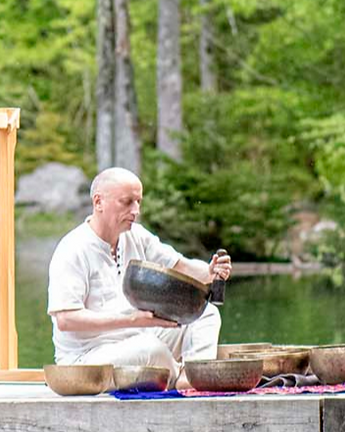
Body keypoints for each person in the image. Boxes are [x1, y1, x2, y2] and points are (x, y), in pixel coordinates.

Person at [46, 166, 232, 388]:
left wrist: (209, 271)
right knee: (150, 349)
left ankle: (190, 377)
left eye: (138, 202)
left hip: (140, 338)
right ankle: (187, 378)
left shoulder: (136, 235)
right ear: (98, 202)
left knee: (205, 313)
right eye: (126, 202)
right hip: (89, 359)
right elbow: (66, 320)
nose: (135, 210)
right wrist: (133, 320)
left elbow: (179, 265)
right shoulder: (73, 249)